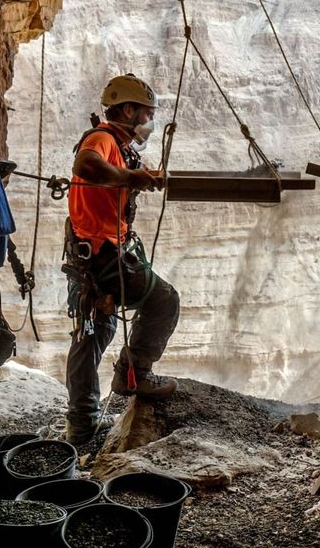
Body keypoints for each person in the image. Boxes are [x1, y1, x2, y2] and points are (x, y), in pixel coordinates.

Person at [63, 73, 181, 446]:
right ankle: (136, 372)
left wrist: (136, 177)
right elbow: (86, 166)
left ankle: (81, 424)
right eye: (145, 114)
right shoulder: (102, 140)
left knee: (95, 332)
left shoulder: (118, 145)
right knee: (164, 301)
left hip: (91, 255)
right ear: (127, 109)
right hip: (103, 257)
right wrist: (132, 177)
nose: (148, 122)